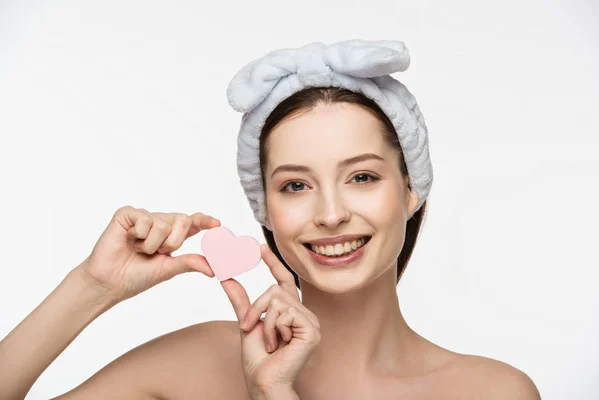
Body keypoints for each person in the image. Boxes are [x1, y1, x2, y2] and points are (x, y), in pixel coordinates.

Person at [0, 40, 541, 400]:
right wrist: (93, 287)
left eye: (362, 177)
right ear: (265, 208)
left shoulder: (491, 390)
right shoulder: (194, 363)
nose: (330, 214)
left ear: (411, 189)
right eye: (296, 186)